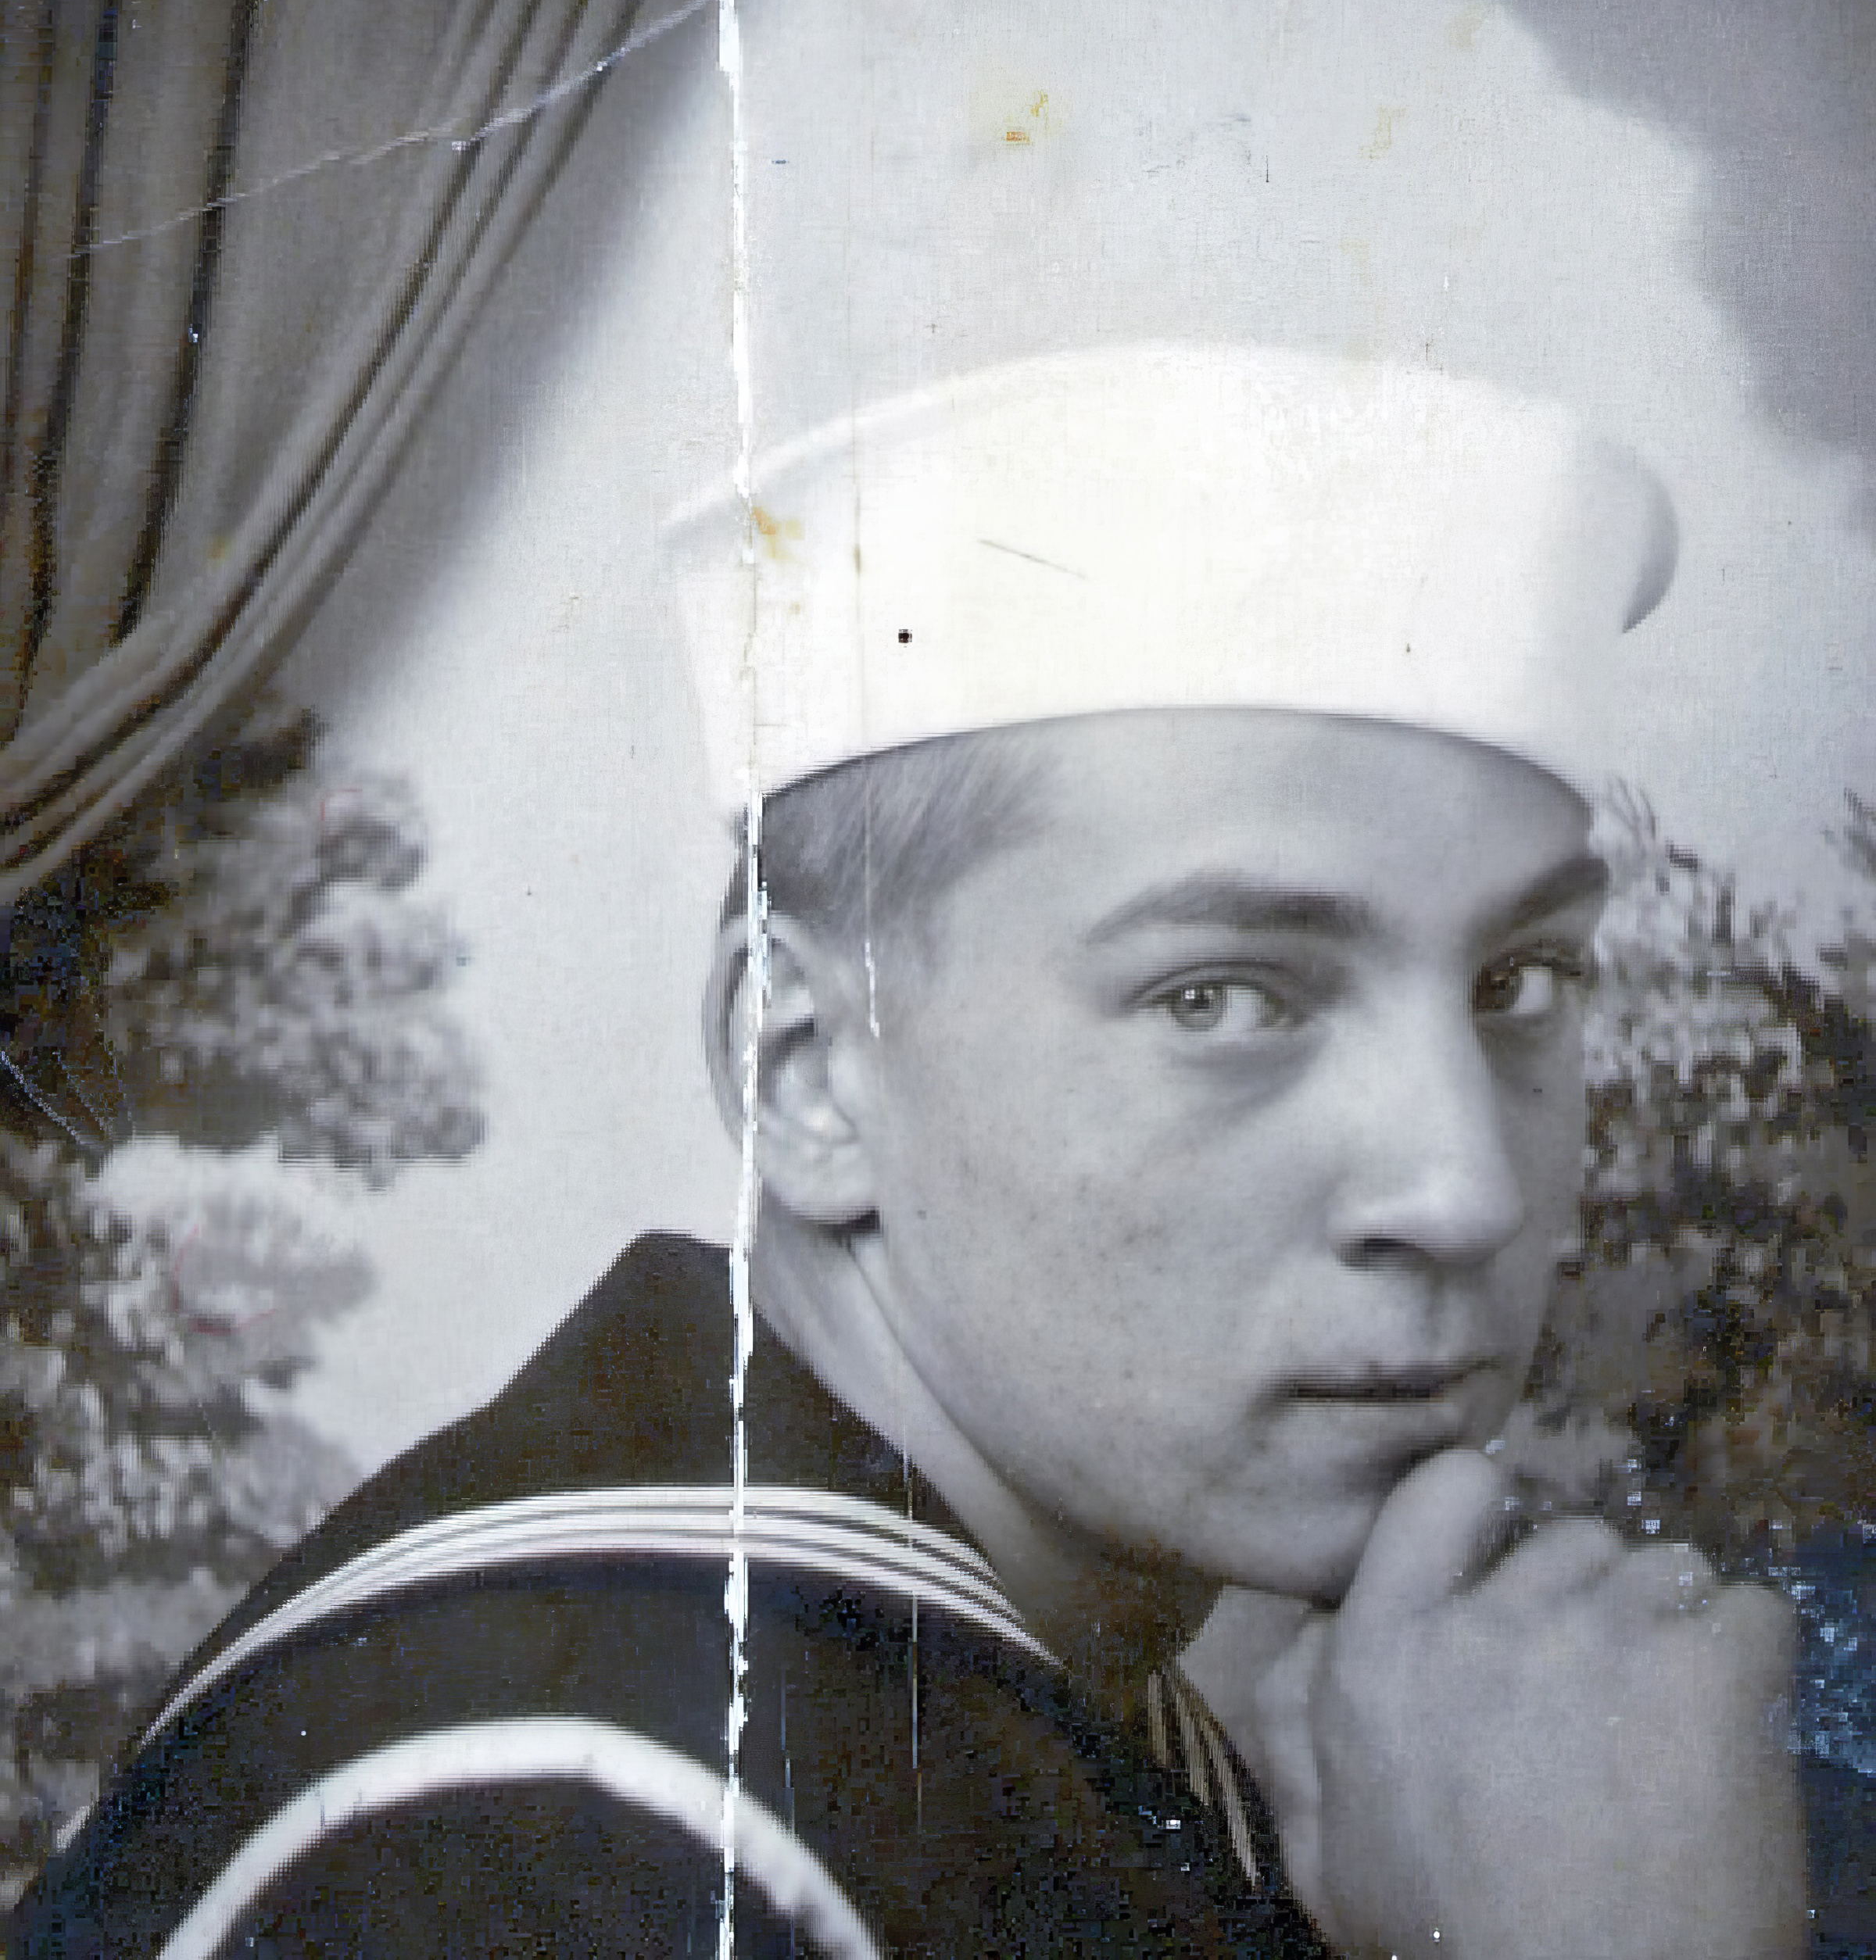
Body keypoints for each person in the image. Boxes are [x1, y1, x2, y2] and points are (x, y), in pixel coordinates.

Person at [8, 348, 1808, 1958]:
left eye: (1521, 978)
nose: (1465, 1190)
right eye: (1223, 998)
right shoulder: (562, 1848)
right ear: (805, 1074)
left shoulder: (1053, 1714)